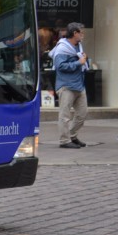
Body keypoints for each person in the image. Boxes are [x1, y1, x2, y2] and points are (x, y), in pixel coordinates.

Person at [50, 21, 89, 149]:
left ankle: (72, 135)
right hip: (66, 85)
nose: (83, 35)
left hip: (79, 85)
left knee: (82, 114)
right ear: (74, 33)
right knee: (64, 116)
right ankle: (64, 141)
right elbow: (60, 67)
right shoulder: (62, 48)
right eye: (81, 32)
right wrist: (79, 63)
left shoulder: (79, 46)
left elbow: (80, 60)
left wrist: (82, 60)